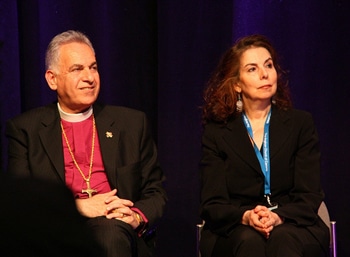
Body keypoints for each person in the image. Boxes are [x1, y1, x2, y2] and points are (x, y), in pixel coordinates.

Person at [5, 30, 167, 257]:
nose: (90, 77)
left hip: (114, 230)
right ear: (52, 79)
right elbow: (20, 203)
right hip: (53, 233)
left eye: (93, 67)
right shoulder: (26, 129)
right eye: (77, 69)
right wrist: (79, 207)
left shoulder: (131, 123)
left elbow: (155, 191)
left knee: (108, 235)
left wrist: (136, 216)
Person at [199, 34, 329, 257]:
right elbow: (213, 204)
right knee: (249, 241)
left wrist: (278, 217)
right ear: (237, 84)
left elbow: (309, 196)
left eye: (269, 65)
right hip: (235, 227)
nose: (264, 74)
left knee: (283, 238)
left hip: (294, 223)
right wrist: (247, 216)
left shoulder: (301, 124)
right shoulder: (217, 133)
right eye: (252, 69)